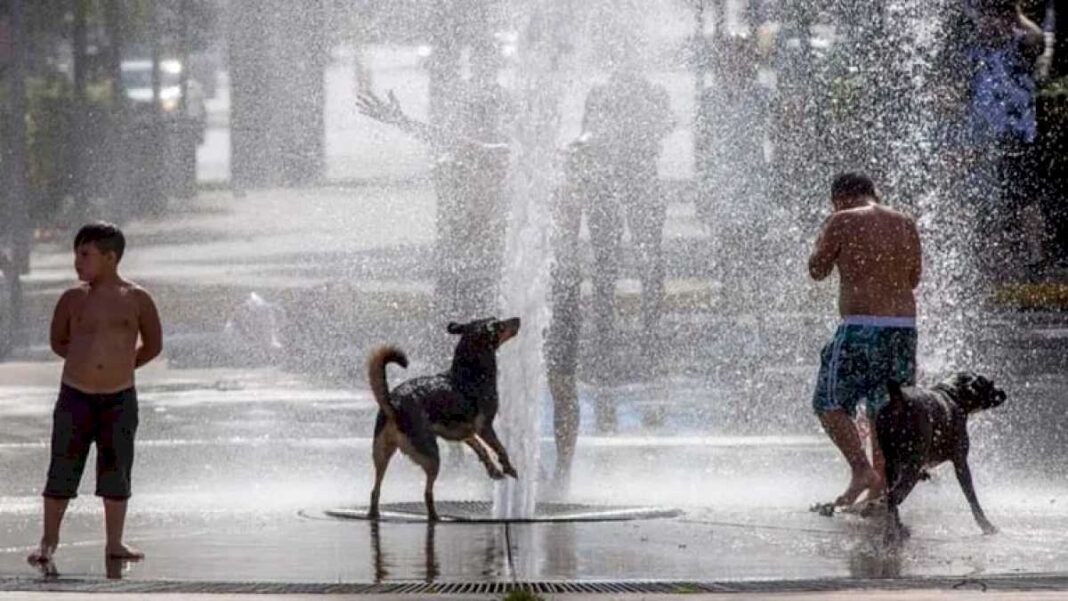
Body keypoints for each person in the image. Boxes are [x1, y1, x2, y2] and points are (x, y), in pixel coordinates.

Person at [27, 222, 163, 572]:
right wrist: (84, 362)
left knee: (116, 469)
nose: (77, 262)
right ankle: (48, 540)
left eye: (85, 255)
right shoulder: (73, 299)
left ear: (110, 257)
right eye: (76, 254)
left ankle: (115, 542)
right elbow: (58, 341)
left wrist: (122, 365)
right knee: (62, 466)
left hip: (119, 397)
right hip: (76, 395)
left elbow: (153, 344)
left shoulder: (137, 298)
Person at [808, 173, 922, 508]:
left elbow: (817, 269)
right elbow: (914, 279)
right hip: (903, 328)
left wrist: (821, 242)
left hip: (861, 327)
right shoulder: (905, 222)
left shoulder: (840, 220)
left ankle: (862, 470)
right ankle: (881, 488)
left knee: (827, 402)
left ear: (839, 199)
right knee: (884, 408)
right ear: (873, 193)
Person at [576, 63, 674, 431]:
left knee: (650, 261)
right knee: (606, 262)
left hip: (641, 181)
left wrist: (632, 134)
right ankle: (605, 336)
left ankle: (649, 333)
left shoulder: (652, 92)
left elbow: (664, 126)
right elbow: (585, 135)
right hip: (606, 184)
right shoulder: (600, 94)